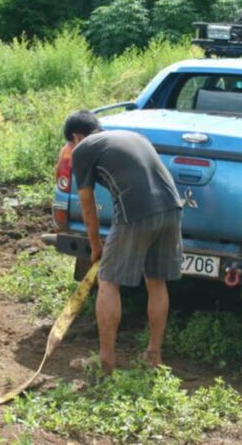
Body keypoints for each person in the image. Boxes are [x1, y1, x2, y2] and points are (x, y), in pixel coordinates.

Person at [63, 110, 183, 373]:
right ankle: (154, 355)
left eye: (70, 144)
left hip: (135, 213)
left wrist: (95, 246)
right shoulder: (133, 136)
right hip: (172, 209)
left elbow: (87, 203)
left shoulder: (82, 149)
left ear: (75, 137)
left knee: (108, 281)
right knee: (156, 280)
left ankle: (106, 361)